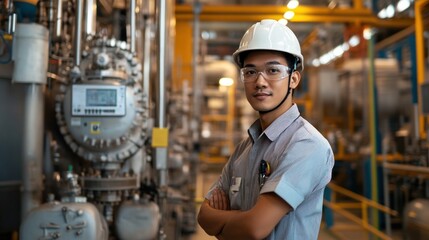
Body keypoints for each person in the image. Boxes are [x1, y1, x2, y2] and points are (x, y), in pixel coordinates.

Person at [197, 19, 335, 240]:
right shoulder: (244, 149)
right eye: (250, 72)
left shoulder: (307, 145)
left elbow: (254, 228)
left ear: (294, 79)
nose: (260, 82)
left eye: (273, 70)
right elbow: (203, 215)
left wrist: (223, 223)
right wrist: (238, 223)